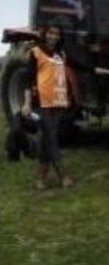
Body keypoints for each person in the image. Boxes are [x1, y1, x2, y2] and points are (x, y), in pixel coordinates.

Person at [22, 23, 74, 189]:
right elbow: (28, 80)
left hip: (58, 102)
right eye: (51, 33)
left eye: (57, 34)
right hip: (41, 102)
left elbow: (77, 67)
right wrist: (27, 102)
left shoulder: (60, 54)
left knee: (47, 139)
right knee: (51, 136)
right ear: (45, 34)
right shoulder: (35, 52)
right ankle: (63, 175)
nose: (54, 36)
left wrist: (102, 70)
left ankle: (40, 179)